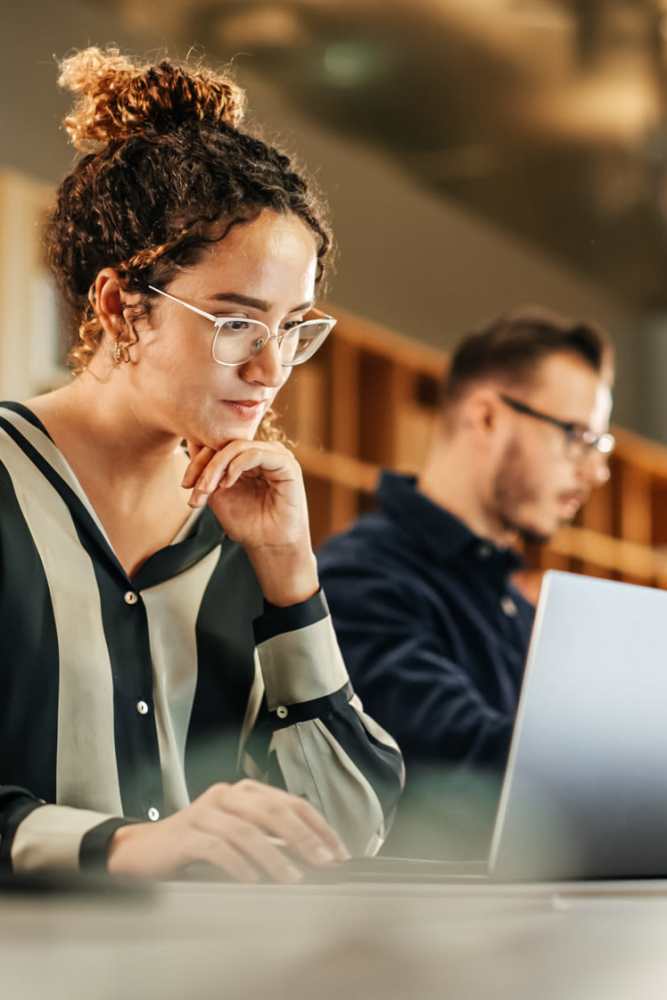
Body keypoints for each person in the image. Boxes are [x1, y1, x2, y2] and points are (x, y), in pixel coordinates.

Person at [0, 47, 403, 883]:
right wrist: (121, 846)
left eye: (293, 328)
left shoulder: (240, 532)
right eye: (235, 323)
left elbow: (348, 828)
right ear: (119, 305)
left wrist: (289, 571)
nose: (270, 369)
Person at [318, 307, 614, 856]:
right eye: (577, 436)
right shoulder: (358, 577)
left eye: (600, 447)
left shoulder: (517, 609)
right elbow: (462, 759)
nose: (594, 472)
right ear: (486, 417)